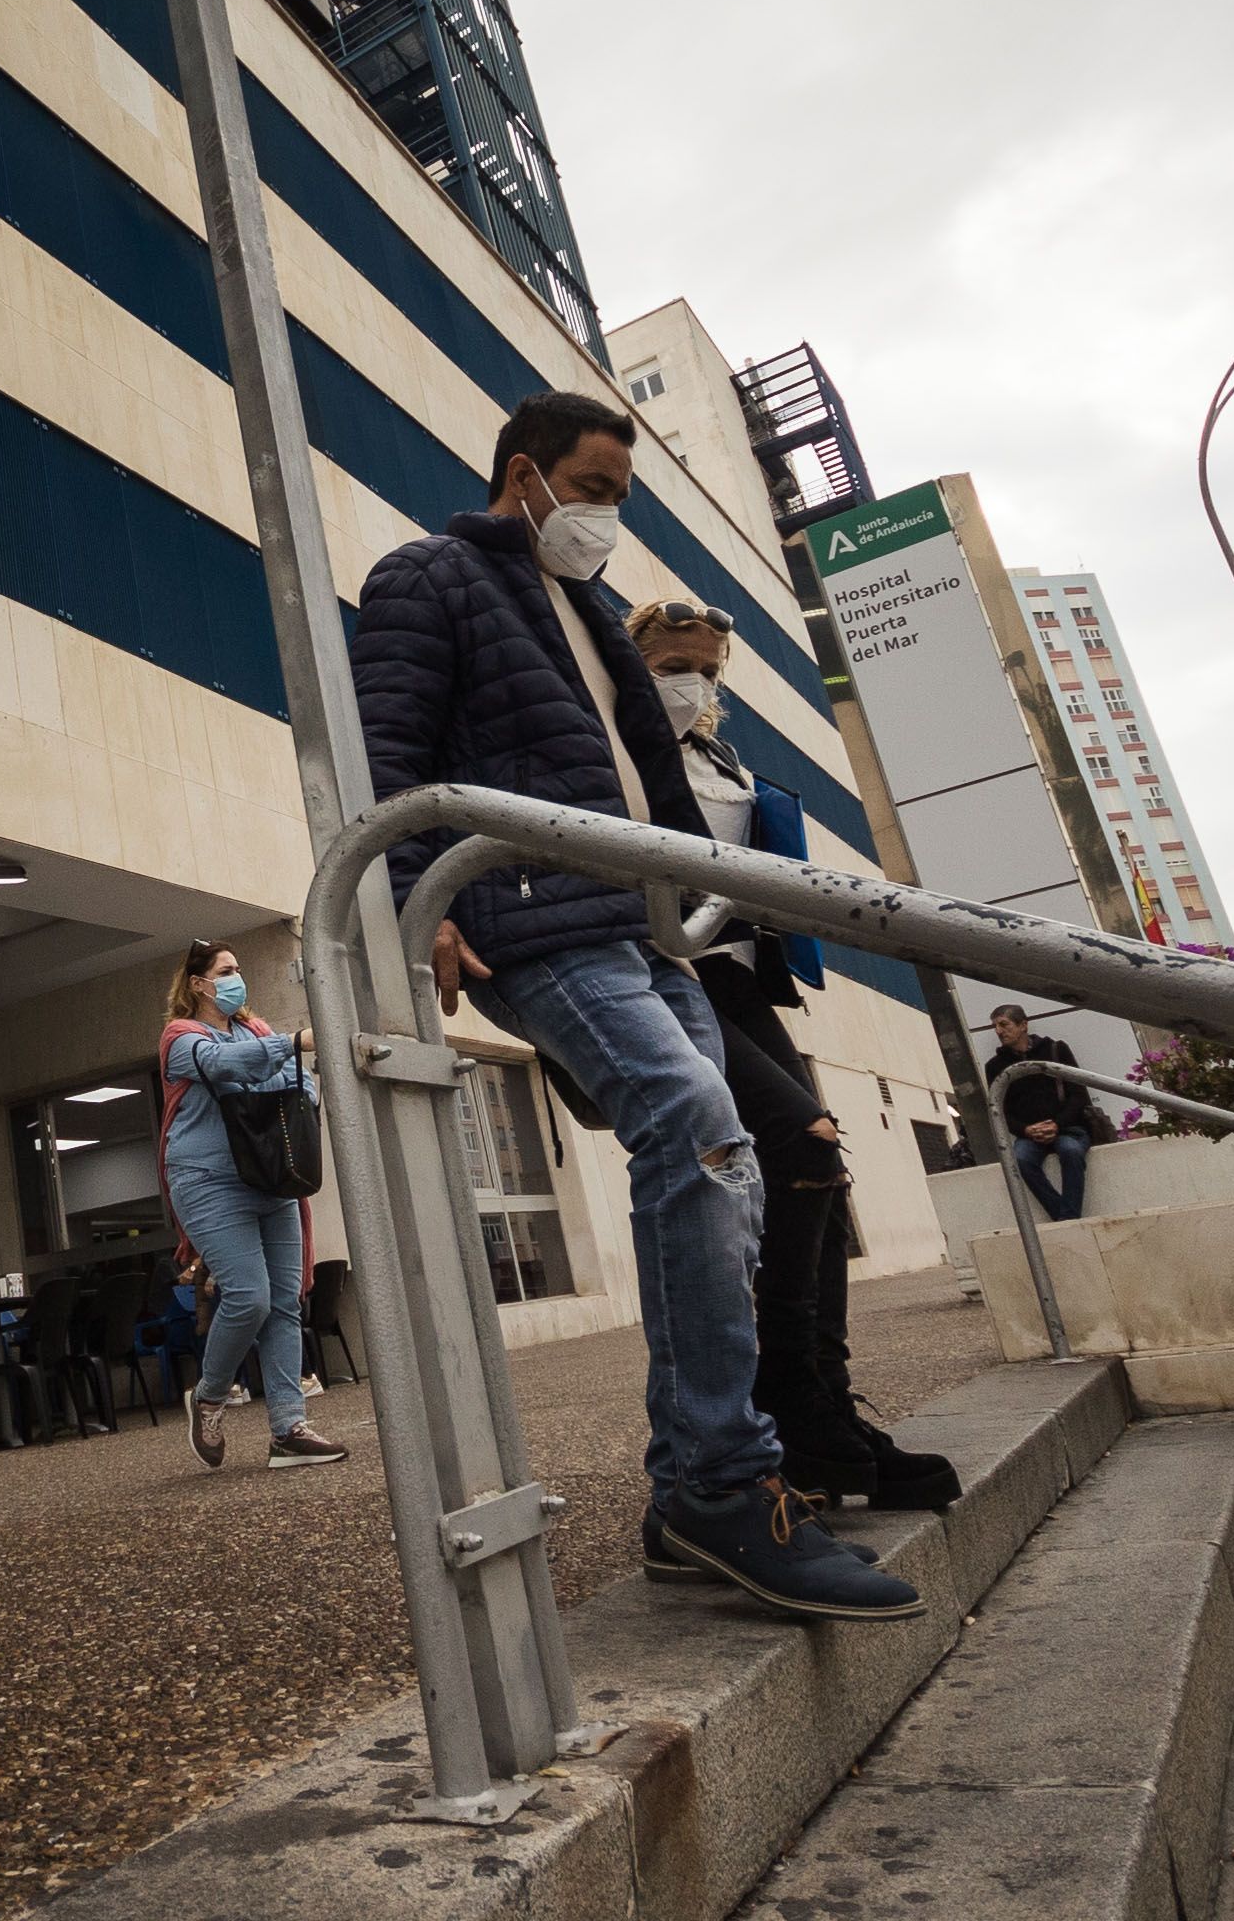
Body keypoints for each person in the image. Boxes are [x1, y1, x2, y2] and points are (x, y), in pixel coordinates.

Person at [352, 393, 919, 1620]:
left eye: (620, 495)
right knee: (699, 1129)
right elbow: (381, 759)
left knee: (740, 1167)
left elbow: (641, 781)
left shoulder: (596, 618)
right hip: (534, 916)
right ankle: (726, 1479)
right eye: (596, 489)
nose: (607, 515)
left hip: (650, 932)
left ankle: (693, 1494)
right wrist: (418, 906)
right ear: (526, 476)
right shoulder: (431, 577)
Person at [627, 600, 961, 1514]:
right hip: (666, 969)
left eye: (707, 669)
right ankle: (793, 1404)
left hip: (744, 976)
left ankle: (824, 1404)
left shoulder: (722, 758)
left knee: (822, 1171)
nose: (693, 683)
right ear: (634, 663)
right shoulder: (618, 743)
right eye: (671, 666)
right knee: (802, 1144)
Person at [153, 939, 347, 1472]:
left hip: (269, 1176)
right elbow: (221, 1064)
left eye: (239, 968)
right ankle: (210, 1396)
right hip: (208, 1181)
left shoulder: (255, 1031)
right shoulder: (181, 1037)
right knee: (249, 1295)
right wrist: (292, 1043)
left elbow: (295, 1082)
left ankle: (288, 1429)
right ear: (198, 985)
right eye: (227, 971)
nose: (238, 978)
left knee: (285, 1302)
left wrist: (294, 1075)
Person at [988, 1006, 1094, 1224]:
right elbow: (1001, 1111)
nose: (998, 1031)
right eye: (995, 1027)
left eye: (1004, 1024)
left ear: (1023, 1025)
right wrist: (1026, 1130)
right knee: (1020, 1160)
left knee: (1070, 1151)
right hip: (1029, 1134)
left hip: (1068, 1128)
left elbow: (1078, 1094)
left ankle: (1066, 1218)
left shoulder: (1056, 1050)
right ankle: (1067, 1217)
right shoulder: (995, 1066)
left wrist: (1057, 1124)